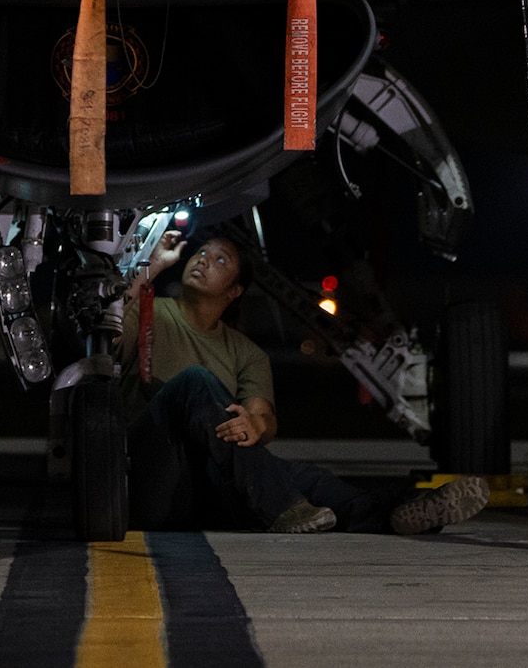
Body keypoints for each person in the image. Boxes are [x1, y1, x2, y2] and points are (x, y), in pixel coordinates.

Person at [117, 229, 490, 534]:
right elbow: (110, 330)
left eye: (220, 260)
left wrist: (253, 424)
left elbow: (264, 418)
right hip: (147, 479)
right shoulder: (152, 312)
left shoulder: (247, 354)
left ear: (235, 291)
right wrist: (149, 267)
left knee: (303, 475)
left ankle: (402, 510)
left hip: (200, 494)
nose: (202, 260)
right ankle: (283, 507)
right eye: (201, 253)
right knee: (195, 382)